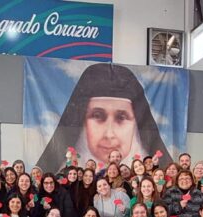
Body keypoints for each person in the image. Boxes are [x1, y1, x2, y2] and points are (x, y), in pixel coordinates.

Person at [36, 63, 173, 172]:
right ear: (83, 121)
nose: (109, 134)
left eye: (121, 117)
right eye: (98, 116)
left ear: (136, 122)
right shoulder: (63, 177)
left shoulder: (149, 176)